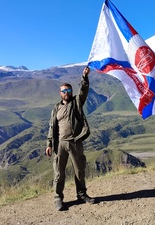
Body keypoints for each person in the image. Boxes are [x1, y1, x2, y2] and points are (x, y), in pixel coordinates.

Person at [45, 66, 95, 211]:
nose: (66, 93)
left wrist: (84, 77)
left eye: (69, 90)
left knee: (79, 170)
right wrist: (49, 144)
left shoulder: (76, 102)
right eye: (64, 91)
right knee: (59, 173)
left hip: (75, 142)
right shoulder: (56, 109)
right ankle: (58, 199)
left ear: (71, 92)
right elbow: (51, 127)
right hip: (60, 144)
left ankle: (82, 194)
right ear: (60, 93)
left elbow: (84, 91)